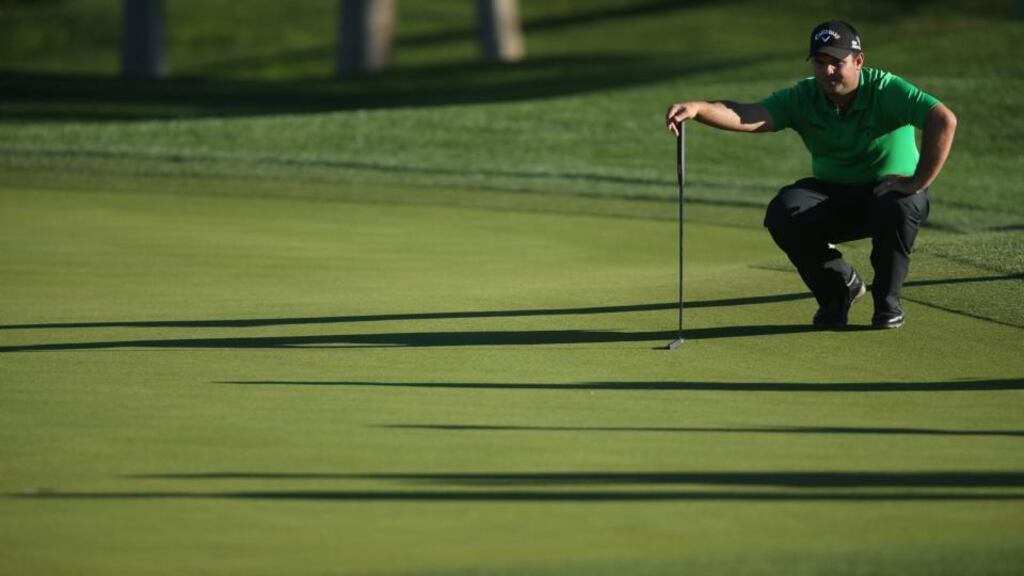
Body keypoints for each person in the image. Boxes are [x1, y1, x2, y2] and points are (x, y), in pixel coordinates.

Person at [665, 20, 957, 330]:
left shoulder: (885, 89)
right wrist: (698, 108)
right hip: (835, 195)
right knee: (784, 211)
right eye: (820, 63)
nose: (828, 71)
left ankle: (887, 302)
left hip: (888, 194)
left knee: (898, 205)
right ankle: (837, 291)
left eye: (837, 63)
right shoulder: (805, 95)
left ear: (858, 61)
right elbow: (749, 115)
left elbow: (943, 119)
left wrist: (917, 182)